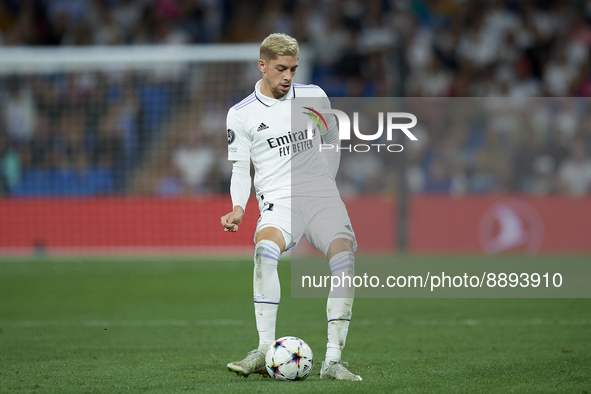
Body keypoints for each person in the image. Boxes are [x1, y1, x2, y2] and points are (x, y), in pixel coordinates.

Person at [220, 33, 362, 381]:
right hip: (279, 201)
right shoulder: (242, 114)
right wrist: (238, 207)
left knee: (343, 260)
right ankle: (264, 348)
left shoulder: (314, 96)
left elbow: (331, 139)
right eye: (281, 69)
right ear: (263, 66)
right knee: (264, 249)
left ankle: (332, 362)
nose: (287, 76)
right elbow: (241, 168)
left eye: (293, 70)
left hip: (320, 198)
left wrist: (326, 183)